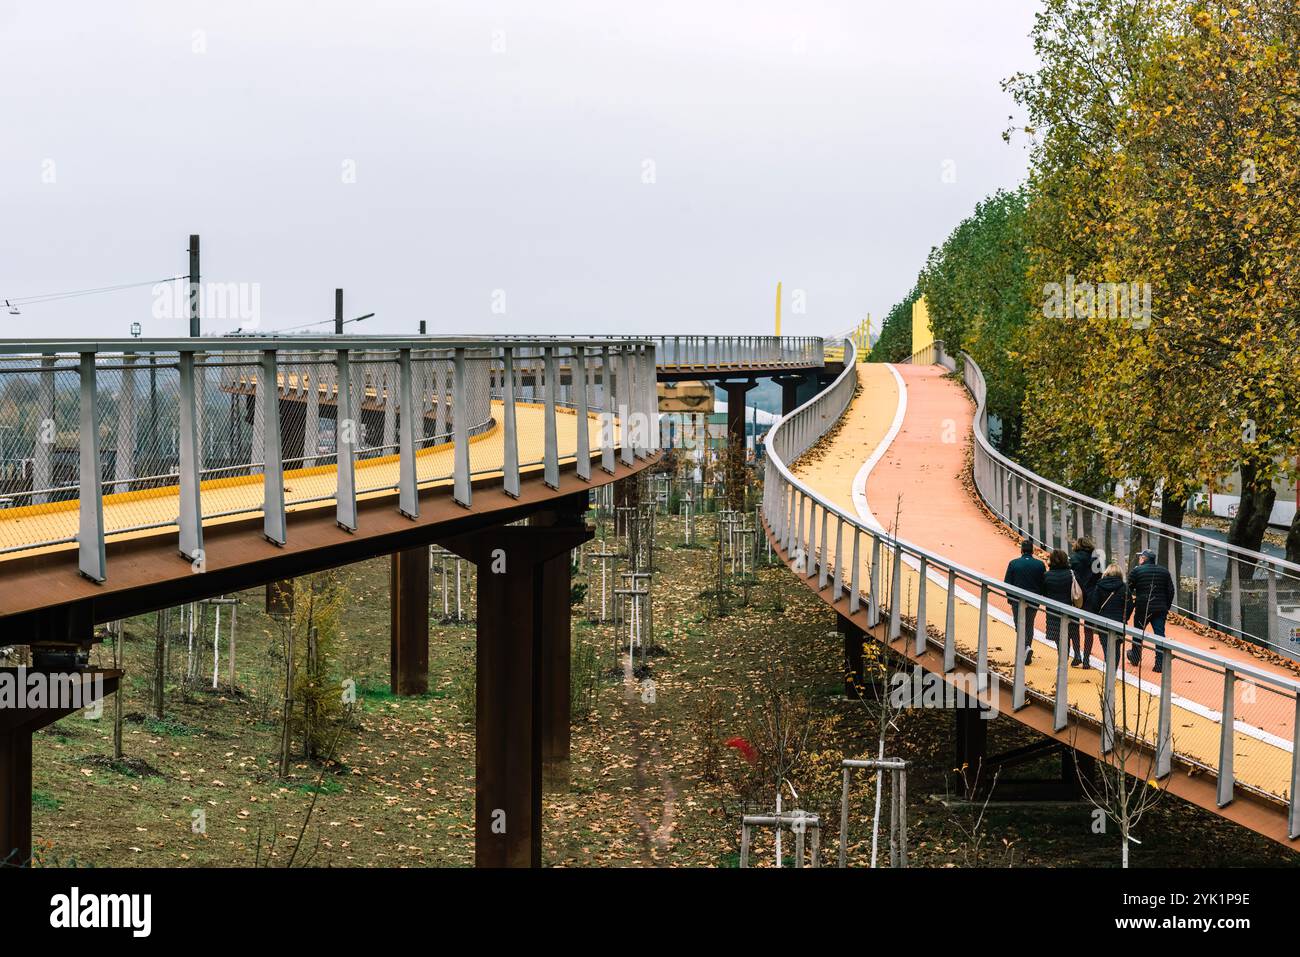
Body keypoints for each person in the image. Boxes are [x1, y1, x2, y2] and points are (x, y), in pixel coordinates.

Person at [1127, 548, 1176, 673]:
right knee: (1159, 635)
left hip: (1143, 607)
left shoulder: (1137, 571)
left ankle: (1135, 657)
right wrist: (1166, 606)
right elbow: (1170, 591)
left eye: (1140, 557)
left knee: (1138, 632)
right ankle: (1159, 663)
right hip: (1160, 608)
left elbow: (1128, 589)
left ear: (1143, 559)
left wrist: (1131, 604)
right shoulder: (1164, 572)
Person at [1004, 539, 1046, 666]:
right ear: (1032, 551)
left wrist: (1010, 598)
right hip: (1033, 599)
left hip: (1017, 599)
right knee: (1029, 624)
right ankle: (1027, 648)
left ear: (1021, 550)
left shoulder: (1013, 563)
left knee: (1019, 625)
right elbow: (1043, 583)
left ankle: (1026, 647)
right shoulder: (1040, 565)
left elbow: (1007, 583)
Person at [1086, 562, 1129, 665]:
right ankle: (1113, 672)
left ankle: (1109, 669)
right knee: (1117, 647)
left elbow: (1095, 604)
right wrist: (1125, 617)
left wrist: (1098, 614)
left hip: (1103, 620)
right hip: (1118, 622)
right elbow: (1130, 605)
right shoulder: (1124, 588)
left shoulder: (1099, 586)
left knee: (1106, 646)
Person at [1068, 537, 1102, 667]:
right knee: (1088, 629)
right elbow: (1099, 577)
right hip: (1092, 596)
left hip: (1076, 594)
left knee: (1074, 625)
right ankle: (1087, 659)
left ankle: (1077, 654)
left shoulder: (1074, 558)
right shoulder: (1096, 559)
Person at [1041, 549, 1076, 661]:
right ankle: (1064, 658)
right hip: (1069, 609)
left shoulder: (1047, 575)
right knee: (1067, 636)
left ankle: (1062, 659)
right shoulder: (1071, 574)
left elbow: (1043, 593)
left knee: (1058, 638)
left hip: (1053, 611)